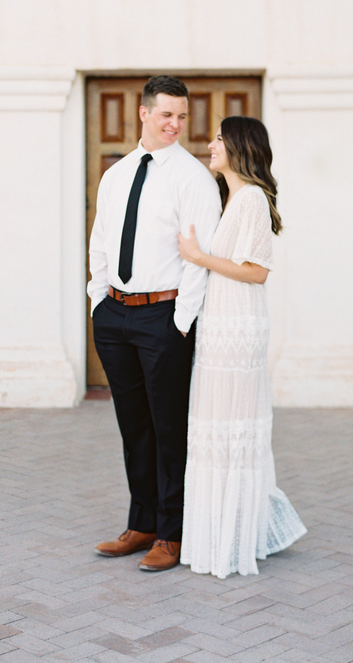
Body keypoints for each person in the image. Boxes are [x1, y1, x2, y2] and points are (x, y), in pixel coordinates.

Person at [87, 75, 221, 571]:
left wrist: (180, 322)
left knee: (169, 429)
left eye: (182, 117)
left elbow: (198, 258)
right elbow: (101, 240)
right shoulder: (117, 173)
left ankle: (172, 532)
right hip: (116, 314)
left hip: (164, 317)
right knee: (133, 427)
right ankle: (141, 523)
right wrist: (98, 300)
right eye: (166, 114)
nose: (176, 125)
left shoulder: (193, 178)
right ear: (143, 113)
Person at [177, 116, 306, 579]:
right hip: (218, 324)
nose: (210, 145)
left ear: (237, 146)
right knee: (218, 426)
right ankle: (225, 532)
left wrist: (199, 257)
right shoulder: (229, 197)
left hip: (239, 326)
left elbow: (256, 271)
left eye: (217, 138)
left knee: (231, 426)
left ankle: (235, 540)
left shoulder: (250, 198)